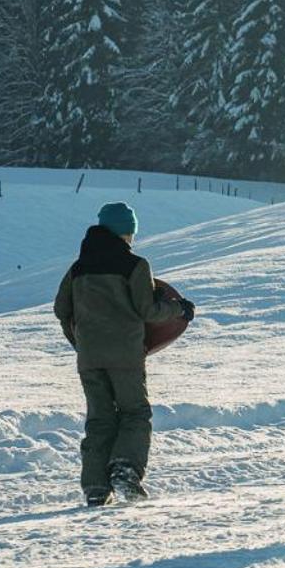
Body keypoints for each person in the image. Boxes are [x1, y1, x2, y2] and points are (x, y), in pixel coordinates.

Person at [53, 202, 194, 506]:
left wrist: (80, 341)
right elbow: (148, 310)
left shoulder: (78, 269)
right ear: (126, 231)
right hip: (126, 354)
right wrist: (179, 309)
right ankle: (125, 471)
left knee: (100, 419)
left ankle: (95, 487)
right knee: (134, 413)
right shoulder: (135, 265)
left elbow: (61, 310)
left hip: (89, 358)